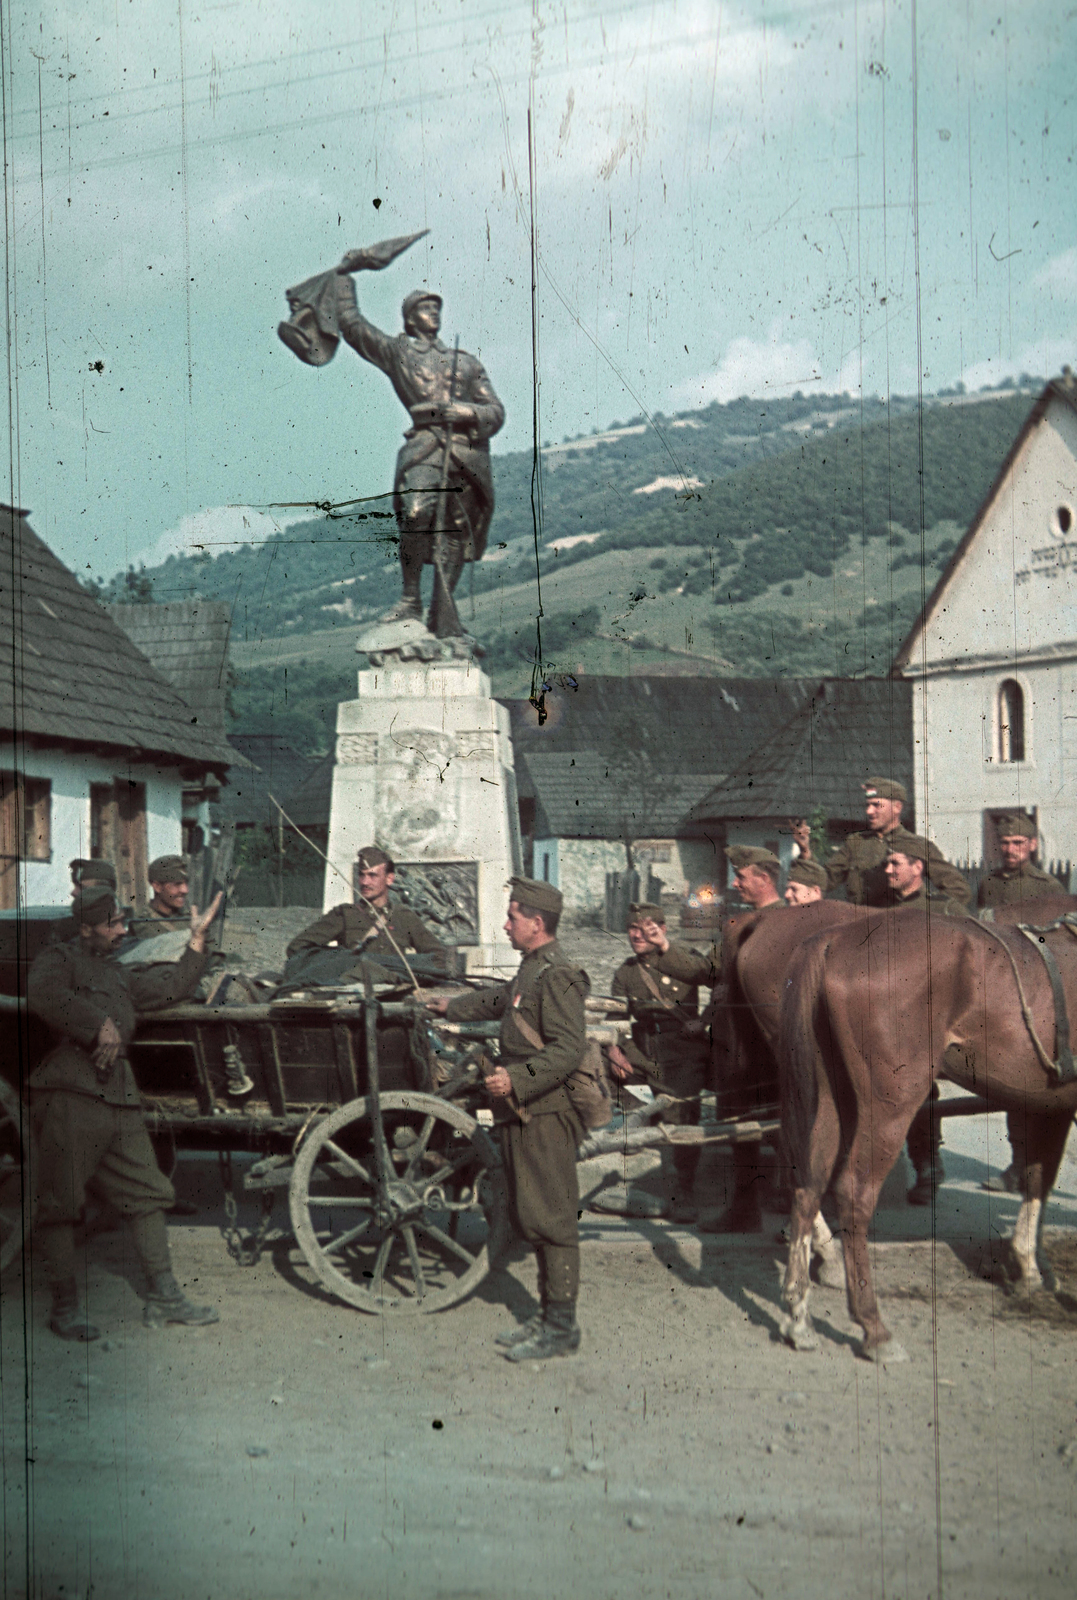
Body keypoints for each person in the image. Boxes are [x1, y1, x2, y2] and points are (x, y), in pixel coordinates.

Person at [27, 886, 223, 1341]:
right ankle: (64, 1307)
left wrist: (196, 941)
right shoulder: (59, 959)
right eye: (113, 923)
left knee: (149, 1193)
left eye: (123, 922)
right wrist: (98, 1023)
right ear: (86, 928)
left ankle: (166, 1298)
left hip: (117, 1097)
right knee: (60, 1203)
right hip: (70, 1093)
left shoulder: (117, 973)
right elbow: (44, 994)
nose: (123, 930)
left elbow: (169, 989)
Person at [427, 877, 588, 1361]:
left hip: (543, 1114)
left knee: (553, 1220)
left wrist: (517, 1078)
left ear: (537, 924)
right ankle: (547, 1316)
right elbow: (502, 1000)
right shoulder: (531, 970)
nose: (505, 924)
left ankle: (561, 1327)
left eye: (513, 916)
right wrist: (450, 1004)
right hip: (521, 1112)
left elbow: (567, 1050)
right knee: (531, 1216)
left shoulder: (558, 975)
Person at [334, 272, 505, 636]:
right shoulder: (398, 352)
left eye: (435, 308)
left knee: (457, 530)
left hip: (465, 452)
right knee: (416, 510)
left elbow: (495, 410)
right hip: (425, 445)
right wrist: (343, 280)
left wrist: (468, 412)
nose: (433, 313)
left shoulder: (467, 362)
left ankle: (443, 610)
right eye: (424, 308)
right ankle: (410, 597)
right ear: (410, 318)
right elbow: (354, 327)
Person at [606, 904, 712, 1222]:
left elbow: (719, 985)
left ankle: (683, 1190)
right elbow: (615, 1017)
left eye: (644, 929)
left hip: (683, 1050)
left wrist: (705, 1019)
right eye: (632, 929)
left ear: (661, 930)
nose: (636, 935)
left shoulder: (683, 957)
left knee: (682, 1117)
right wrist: (616, 1051)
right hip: (642, 1050)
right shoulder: (625, 972)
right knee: (616, 1080)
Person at [883, 837, 971, 1205]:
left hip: (932, 1014)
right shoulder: (876, 911)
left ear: (918, 867)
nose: (888, 870)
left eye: (895, 863)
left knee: (920, 1090)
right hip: (884, 1015)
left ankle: (927, 1165)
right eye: (887, 864)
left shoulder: (944, 909)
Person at [977, 813, 1062, 1192]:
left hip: (1041, 989)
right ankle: (1017, 1165)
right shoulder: (989, 884)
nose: (1010, 849)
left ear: (1032, 845)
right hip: (1002, 989)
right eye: (1005, 842)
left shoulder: (1048, 885)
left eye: (1018, 843)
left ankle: (1036, 1169)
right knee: (1015, 1086)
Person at [285, 846, 448, 981]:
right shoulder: (345, 914)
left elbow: (438, 956)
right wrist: (338, 961)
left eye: (372, 875)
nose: (364, 882)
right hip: (351, 995)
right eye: (361, 875)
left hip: (393, 994)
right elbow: (297, 948)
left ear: (389, 879)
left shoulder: (404, 916)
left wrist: (405, 974)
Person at [826, 778, 970, 908]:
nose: (869, 811)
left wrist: (922, 910)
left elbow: (959, 889)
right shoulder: (855, 843)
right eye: (867, 805)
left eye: (877, 805)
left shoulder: (917, 846)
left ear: (897, 807)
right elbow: (825, 880)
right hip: (862, 927)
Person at [127, 855, 191, 940]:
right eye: (177, 884)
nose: (185, 890)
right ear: (157, 887)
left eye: (186, 883)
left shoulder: (190, 919)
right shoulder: (139, 925)